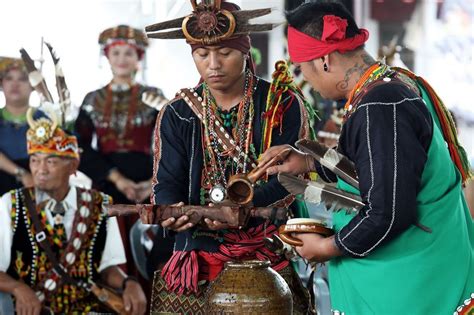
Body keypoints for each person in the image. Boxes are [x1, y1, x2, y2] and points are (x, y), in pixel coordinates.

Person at [258, 2, 474, 314]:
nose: (306, 79)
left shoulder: (380, 107)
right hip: (426, 271)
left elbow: (387, 213)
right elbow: (378, 166)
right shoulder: (394, 82)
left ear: (324, 60)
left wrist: (326, 248)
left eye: (302, 68)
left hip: (413, 288)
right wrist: (308, 162)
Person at [147, 1, 315, 314]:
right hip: (196, 253)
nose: (213, 64)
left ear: (244, 50)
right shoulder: (178, 114)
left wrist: (243, 206)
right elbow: (167, 181)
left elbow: (291, 180)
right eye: (202, 54)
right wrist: (174, 211)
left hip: (264, 246)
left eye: (224, 53)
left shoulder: (280, 105)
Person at [0, 107, 147, 314]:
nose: (40, 170)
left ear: (73, 165)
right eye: (35, 160)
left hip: (86, 307)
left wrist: (129, 283)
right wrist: (18, 287)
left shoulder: (100, 204)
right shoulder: (11, 204)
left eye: (50, 161)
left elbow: (107, 268)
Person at [74, 24, 167, 277]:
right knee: (108, 248)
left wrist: (153, 183)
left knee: (148, 250)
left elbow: (169, 142)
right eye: (116, 53)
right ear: (107, 56)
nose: (122, 59)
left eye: (128, 53)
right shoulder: (92, 99)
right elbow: (79, 147)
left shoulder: (154, 97)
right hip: (108, 183)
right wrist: (118, 179)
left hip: (148, 184)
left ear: (139, 56)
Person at [0, 57, 36, 195]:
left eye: (22, 79)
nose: (15, 84)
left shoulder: (46, 119)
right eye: (9, 78)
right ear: (1, 83)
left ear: (33, 85)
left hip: (37, 192)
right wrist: (21, 173)